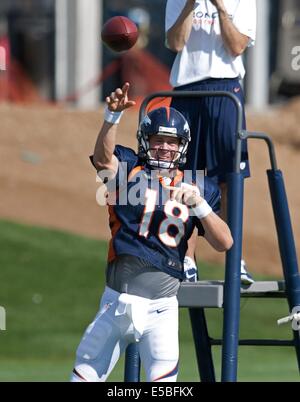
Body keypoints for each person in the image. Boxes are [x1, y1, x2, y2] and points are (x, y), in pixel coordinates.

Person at [71, 82, 233, 382]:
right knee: (85, 375)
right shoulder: (131, 167)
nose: (165, 147)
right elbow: (105, 159)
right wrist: (111, 117)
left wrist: (200, 206)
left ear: (182, 145)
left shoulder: (199, 185)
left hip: (162, 307)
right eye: (158, 140)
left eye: (172, 142)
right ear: (146, 140)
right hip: (116, 299)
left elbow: (225, 242)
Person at [165, 0, 257, 284]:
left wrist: (220, 8)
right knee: (187, 177)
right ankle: (187, 259)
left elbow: (237, 46)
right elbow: (175, 43)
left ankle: (235, 260)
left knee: (230, 178)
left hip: (225, 89)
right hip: (186, 90)